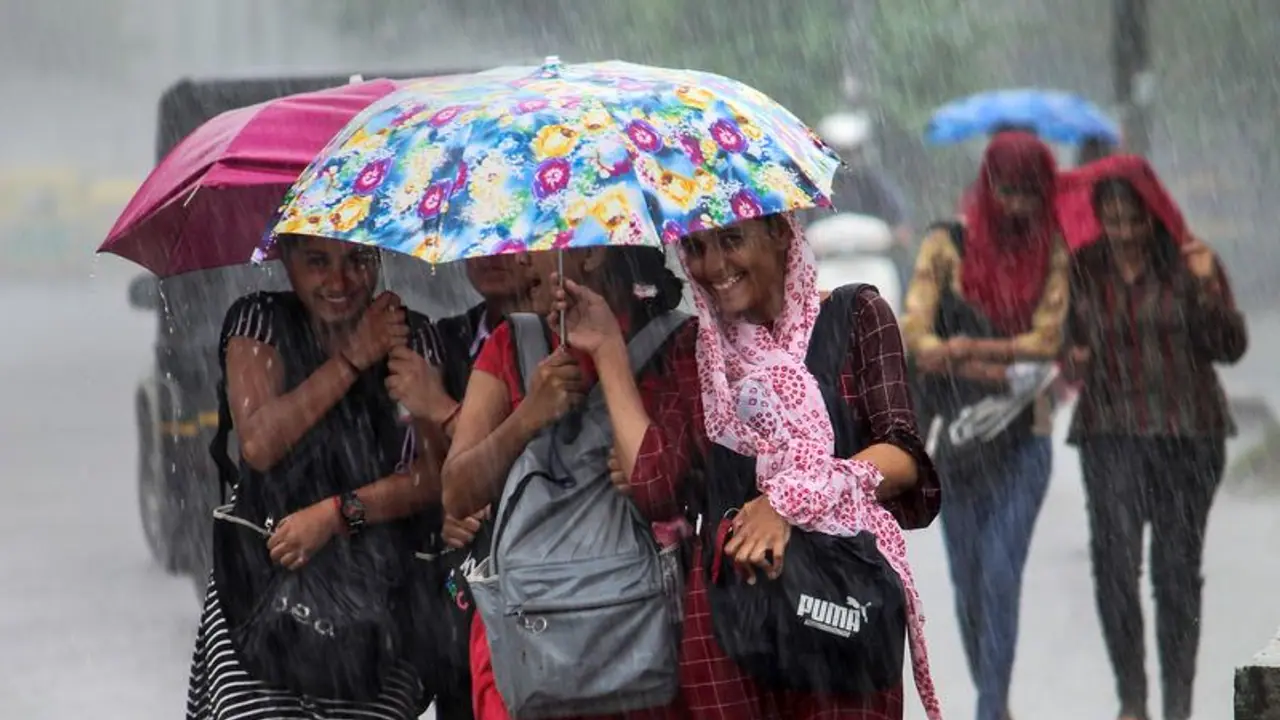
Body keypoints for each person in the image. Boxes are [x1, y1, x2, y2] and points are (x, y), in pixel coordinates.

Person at [566, 213, 942, 719]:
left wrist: (786, 503)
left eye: (732, 240)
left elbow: (902, 456)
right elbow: (654, 483)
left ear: (782, 232)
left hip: (841, 599)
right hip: (728, 622)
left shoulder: (856, 315)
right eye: (696, 248)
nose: (713, 265)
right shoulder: (694, 350)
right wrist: (608, 350)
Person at [186, 235, 458, 720]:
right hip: (259, 600)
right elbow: (260, 444)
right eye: (317, 262)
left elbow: (436, 479)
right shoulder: (259, 321)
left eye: (358, 260)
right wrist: (352, 358)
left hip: (380, 611)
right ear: (285, 259)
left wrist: (339, 513)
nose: (339, 282)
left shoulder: (412, 338)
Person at [440, 245, 688, 720]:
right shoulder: (511, 343)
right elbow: (457, 493)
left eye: (530, 249)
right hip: (531, 644)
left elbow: (686, 480)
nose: (515, 263)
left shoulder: (675, 343)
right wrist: (528, 417)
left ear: (591, 254)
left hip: (642, 640)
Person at [1058, 155, 1248, 720]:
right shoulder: (1083, 266)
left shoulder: (1188, 264)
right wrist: (1073, 357)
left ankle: (1178, 706)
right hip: (1110, 435)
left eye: (1133, 220)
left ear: (1153, 217)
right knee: (1115, 567)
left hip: (1187, 434)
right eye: (1112, 220)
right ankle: (1133, 701)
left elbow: (1230, 346)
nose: (1123, 232)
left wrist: (1209, 287)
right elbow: (1067, 350)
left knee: (1175, 571)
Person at [901, 131, 1071, 720]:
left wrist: (966, 351)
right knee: (968, 586)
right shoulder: (946, 245)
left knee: (1000, 574)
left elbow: (1048, 341)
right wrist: (989, 359)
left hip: (1026, 438)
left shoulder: (1053, 250)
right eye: (1007, 190)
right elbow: (915, 332)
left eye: (1029, 192)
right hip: (957, 442)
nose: (1017, 205)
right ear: (987, 185)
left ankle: (989, 709)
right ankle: (994, 704)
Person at [429, 253, 535, 720]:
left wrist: (439, 408)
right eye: (488, 240)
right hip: (471, 583)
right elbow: (432, 477)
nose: (497, 255)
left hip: (553, 580)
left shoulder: (575, 333)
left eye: (515, 242)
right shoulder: (440, 341)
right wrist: (448, 510)